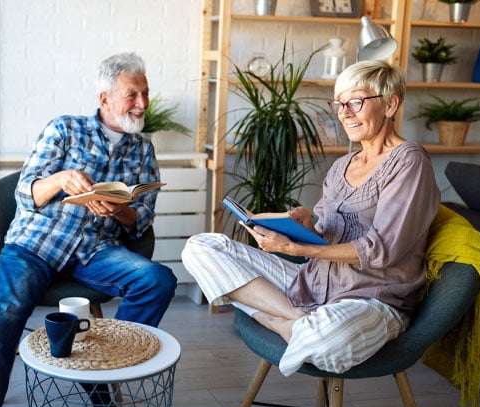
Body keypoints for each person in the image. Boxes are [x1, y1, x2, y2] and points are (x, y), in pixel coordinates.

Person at [182, 60, 440, 376]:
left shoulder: (409, 162)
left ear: (390, 104)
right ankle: (295, 320)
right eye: (340, 104)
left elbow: (381, 250)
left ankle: (279, 320)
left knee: (328, 338)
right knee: (201, 247)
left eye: (356, 102)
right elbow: (327, 237)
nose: (345, 113)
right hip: (313, 287)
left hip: (372, 300)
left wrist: (298, 250)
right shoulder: (341, 167)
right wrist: (305, 228)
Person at [0, 52, 177, 407]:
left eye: (145, 93)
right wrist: (61, 179)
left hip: (96, 250)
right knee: (4, 315)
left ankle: (100, 373)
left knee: (158, 280)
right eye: (132, 95)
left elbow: (140, 223)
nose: (142, 104)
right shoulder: (64, 129)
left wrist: (120, 210)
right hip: (36, 243)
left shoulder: (143, 150)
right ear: (105, 98)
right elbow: (25, 194)